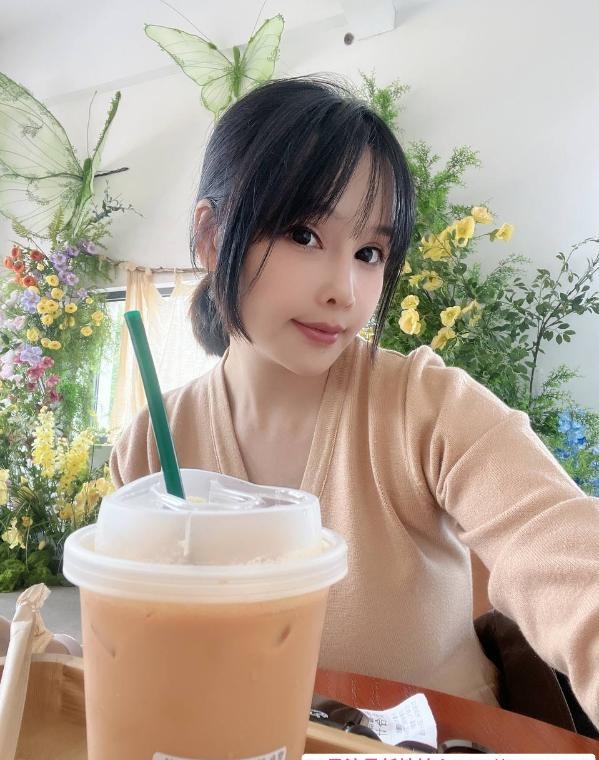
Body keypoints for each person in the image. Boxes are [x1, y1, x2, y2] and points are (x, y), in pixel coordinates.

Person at [111, 77, 599, 728]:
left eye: (369, 252)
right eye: (303, 234)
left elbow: (559, 549)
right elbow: (133, 645)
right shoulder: (151, 445)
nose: (344, 289)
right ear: (212, 236)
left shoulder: (427, 407)